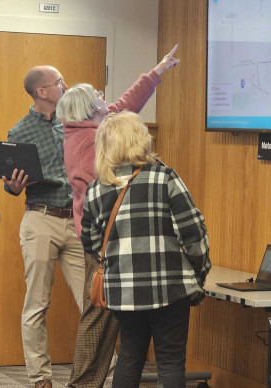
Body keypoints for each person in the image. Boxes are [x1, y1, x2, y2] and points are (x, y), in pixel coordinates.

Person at [56, 45, 179, 388]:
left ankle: (87, 381)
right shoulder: (87, 142)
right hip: (103, 242)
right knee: (99, 315)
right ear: (88, 110)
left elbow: (124, 105)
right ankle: (83, 383)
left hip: (105, 239)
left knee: (104, 315)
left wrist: (156, 72)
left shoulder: (88, 128)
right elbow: (103, 193)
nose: (102, 94)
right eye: (96, 95)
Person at [81, 111, 211, 388]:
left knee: (130, 355)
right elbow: (193, 233)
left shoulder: (95, 189)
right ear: (141, 140)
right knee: (171, 360)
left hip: (123, 291)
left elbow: (90, 243)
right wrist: (199, 274)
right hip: (170, 288)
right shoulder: (165, 178)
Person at [1, 65, 84, 388]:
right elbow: (10, 187)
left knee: (94, 302)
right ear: (42, 92)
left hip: (76, 220)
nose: (66, 84)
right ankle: (40, 379)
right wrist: (13, 186)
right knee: (37, 303)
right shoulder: (19, 132)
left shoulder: (73, 123)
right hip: (40, 218)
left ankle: (101, 370)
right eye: (59, 81)